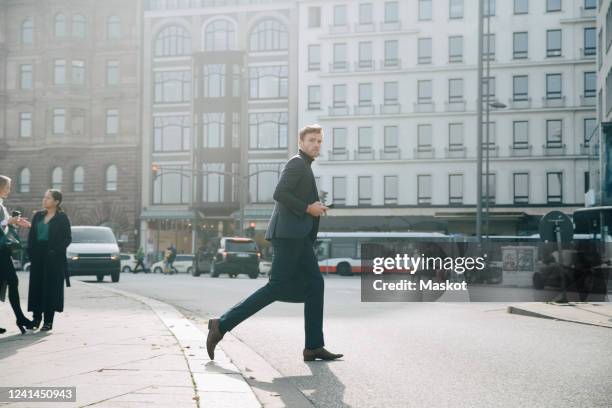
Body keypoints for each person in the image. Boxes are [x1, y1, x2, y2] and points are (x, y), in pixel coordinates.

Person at [207, 124, 343, 362]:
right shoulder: (296, 164)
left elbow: (296, 200)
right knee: (276, 288)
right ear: (301, 142)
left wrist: (314, 208)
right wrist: (307, 208)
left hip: (298, 237)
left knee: (315, 285)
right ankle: (221, 325)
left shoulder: (305, 167)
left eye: (319, 141)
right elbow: (280, 193)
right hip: (289, 236)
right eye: (312, 140)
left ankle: (314, 346)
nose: (316, 144)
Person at [27, 189, 72, 332]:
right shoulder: (38, 216)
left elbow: (67, 238)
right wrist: (31, 253)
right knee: (37, 287)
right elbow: (32, 237)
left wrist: (56, 251)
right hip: (38, 256)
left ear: (56, 202)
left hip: (54, 257)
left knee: (50, 289)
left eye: (48, 198)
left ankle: (48, 321)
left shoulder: (62, 217)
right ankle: (36, 319)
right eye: (44, 197)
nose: (44, 200)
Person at [0, 175, 35, 334]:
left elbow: (5, 225)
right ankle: (20, 317)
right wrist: (9, 222)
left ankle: (20, 317)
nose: (9, 190)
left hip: (2, 251)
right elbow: (3, 224)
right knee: (12, 281)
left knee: (6, 283)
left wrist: (15, 222)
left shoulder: (1, 205)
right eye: (7, 186)